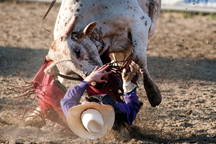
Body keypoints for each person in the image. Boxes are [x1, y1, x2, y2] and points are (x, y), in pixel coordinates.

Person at [60, 62, 140, 139]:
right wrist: (127, 83)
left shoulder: (72, 113)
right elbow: (132, 107)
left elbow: (66, 101)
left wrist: (87, 80)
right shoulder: (115, 109)